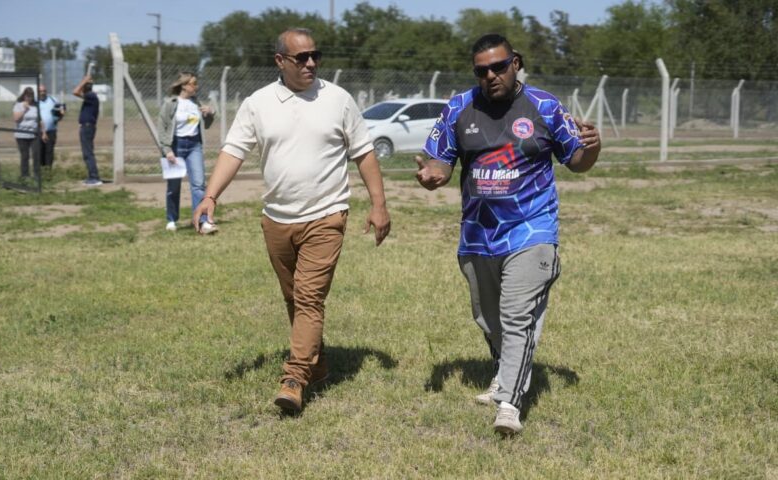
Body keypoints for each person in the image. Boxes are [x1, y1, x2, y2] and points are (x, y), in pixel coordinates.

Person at [192, 28, 391, 413]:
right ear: (280, 61)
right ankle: (318, 364)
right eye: (301, 58)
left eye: (315, 55)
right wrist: (210, 196)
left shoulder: (337, 99)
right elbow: (234, 151)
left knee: (309, 297)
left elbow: (364, 153)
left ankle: (295, 378)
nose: (311, 63)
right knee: (294, 298)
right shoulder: (258, 103)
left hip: (326, 215)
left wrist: (378, 205)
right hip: (277, 219)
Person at [416, 33, 601, 434]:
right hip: (478, 234)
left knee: (517, 316)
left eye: (499, 67)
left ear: (515, 63)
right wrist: (433, 175)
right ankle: (505, 374)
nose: (491, 76)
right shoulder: (459, 108)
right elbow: (440, 162)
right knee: (489, 318)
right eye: (481, 70)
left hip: (532, 229)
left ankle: (509, 405)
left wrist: (593, 147)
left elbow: (577, 160)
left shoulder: (544, 106)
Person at [158, 72, 217, 233]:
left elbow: (207, 124)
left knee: (198, 185)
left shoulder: (196, 102)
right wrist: (167, 150)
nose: (196, 86)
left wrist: (210, 113)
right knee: (174, 186)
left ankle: (202, 221)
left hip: (194, 145)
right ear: (184, 85)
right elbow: (162, 127)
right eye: (193, 83)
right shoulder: (170, 103)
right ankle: (171, 220)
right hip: (176, 146)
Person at [72, 75, 102, 186]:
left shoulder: (91, 96)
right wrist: (84, 82)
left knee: (88, 153)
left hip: (87, 127)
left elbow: (75, 92)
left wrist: (83, 81)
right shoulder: (90, 96)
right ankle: (91, 176)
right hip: (86, 126)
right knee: (87, 153)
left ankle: (94, 177)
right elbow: (78, 93)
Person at [12, 87, 47, 179]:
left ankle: (36, 175)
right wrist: (24, 110)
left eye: (31, 96)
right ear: (24, 96)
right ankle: (25, 176)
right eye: (27, 96)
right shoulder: (18, 105)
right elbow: (16, 119)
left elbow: (40, 120)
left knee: (36, 154)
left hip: (34, 134)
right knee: (25, 156)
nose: (29, 98)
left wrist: (44, 132)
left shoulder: (35, 106)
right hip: (21, 134)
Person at [37, 85, 64, 169]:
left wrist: (61, 115)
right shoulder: (35, 102)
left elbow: (60, 112)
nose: (42, 93)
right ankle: (40, 171)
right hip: (38, 131)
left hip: (51, 130)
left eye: (44, 91)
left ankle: (48, 171)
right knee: (39, 151)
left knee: (49, 151)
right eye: (40, 91)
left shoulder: (53, 100)